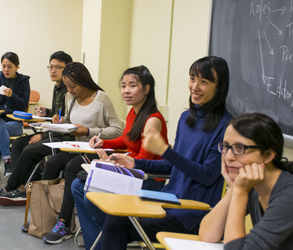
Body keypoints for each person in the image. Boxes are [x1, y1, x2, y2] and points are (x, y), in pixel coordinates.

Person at [78, 56, 233, 250]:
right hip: (167, 202)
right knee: (112, 217)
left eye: (204, 82)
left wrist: (166, 151)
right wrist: (135, 163)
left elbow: (208, 176)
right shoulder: (187, 119)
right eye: (192, 79)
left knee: (116, 224)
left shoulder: (227, 127)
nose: (195, 87)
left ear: (220, 87)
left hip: (191, 213)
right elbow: (173, 166)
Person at [69, 65, 168, 247]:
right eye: (123, 86)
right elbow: (127, 139)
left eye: (132, 85)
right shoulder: (134, 112)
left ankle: (115, 233)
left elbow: (142, 162)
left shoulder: (153, 119)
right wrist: (104, 143)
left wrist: (112, 164)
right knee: (77, 185)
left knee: (89, 190)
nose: (126, 91)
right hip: (133, 174)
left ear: (147, 89)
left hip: (149, 180)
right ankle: (101, 243)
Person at [26, 62, 123, 243]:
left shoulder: (102, 99)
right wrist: (60, 120)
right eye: (67, 87)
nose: (69, 90)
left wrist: (88, 131)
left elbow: (117, 130)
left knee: (71, 167)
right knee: (53, 163)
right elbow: (70, 122)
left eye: (73, 86)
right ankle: (44, 217)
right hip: (76, 147)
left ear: (84, 81)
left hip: (97, 150)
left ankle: (65, 223)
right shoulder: (70, 99)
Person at [0, 51, 74, 203]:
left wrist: (43, 135)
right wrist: (48, 112)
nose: (53, 70)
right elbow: (61, 115)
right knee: (16, 142)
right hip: (2, 120)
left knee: (27, 147)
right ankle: (20, 186)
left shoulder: (69, 90)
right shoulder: (57, 87)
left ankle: (9, 187)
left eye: (58, 67)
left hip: (60, 136)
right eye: (50, 67)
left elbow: (69, 121)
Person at [199, 113, 293, 249]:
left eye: (239, 148)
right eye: (226, 147)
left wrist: (240, 191)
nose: (228, 156)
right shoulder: (252, 183)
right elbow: (208, 235)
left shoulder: (288, 195)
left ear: (267, 155)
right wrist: (233, 189)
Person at [0, 52, 30, 185]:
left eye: (9, 66)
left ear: (17, 66)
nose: (6, 70)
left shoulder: (23, 81)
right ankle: (8, 162)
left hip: (14, 122)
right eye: (3, 66)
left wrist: (12, 95)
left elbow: (24, 105)